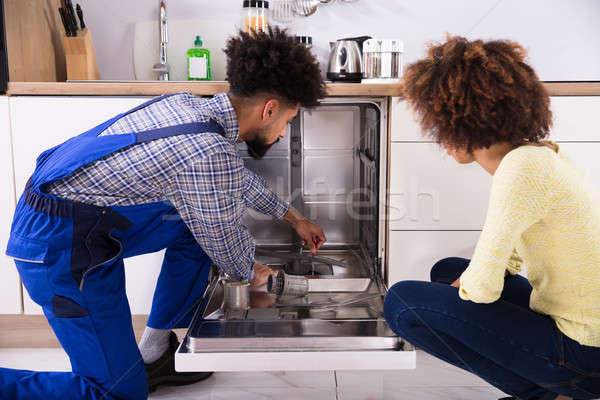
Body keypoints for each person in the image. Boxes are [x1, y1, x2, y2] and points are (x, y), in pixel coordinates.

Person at [0, 27, 326, 399]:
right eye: (287, 120)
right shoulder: (206, 150)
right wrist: (252, 271)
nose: (284, 133)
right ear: (268, 109)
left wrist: (294, 217)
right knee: (115, 394)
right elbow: (228, 249)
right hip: (58, 247)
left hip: (76, 221)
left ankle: (155, 353)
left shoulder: (190, 107)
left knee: (191, 226)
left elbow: (231, 180)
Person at [383, 36, 600, 400]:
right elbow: (512, 254)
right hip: (587, 338)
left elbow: (482, 288)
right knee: (447, 269)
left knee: (402, 303)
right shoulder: (539, 155)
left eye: (440, 123)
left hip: (586, 357)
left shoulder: (520, 168)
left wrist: (463, 291)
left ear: (462, 122)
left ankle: (551, 395)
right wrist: (461, 287)